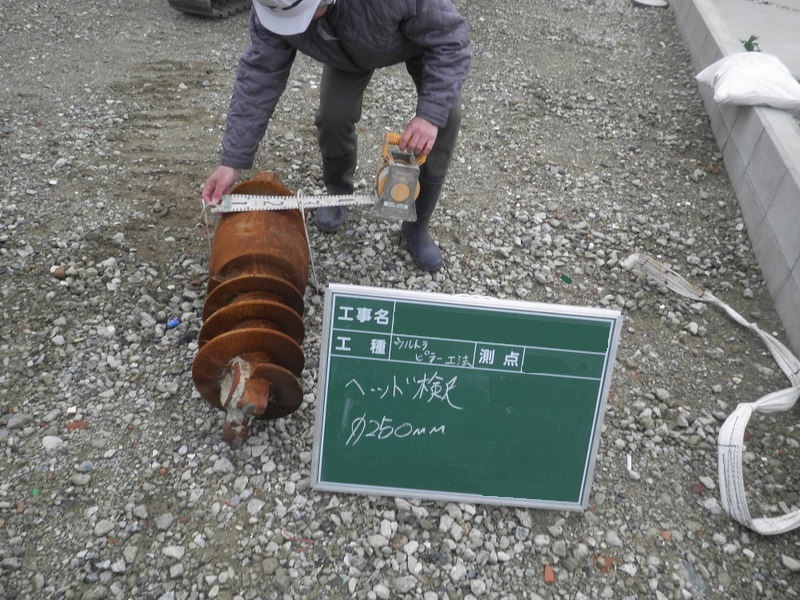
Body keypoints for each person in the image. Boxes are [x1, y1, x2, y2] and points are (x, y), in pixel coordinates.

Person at [201, 0, 471, 272]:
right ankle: (337, 191)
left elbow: (451, 39)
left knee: (446, 118)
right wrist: (231, 161)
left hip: (419, 40)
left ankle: (417, 226)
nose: (302, 24)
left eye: (306, 14)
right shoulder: (272, 7)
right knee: (333, 116)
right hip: (346, 49)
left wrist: (430, 115)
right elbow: (259, 77)